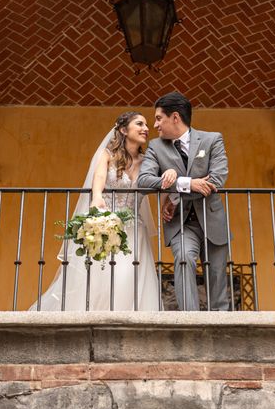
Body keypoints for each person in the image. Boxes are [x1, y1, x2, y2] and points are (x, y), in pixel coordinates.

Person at [31, 112, 162, 311]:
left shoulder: (147, 162)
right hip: (108, 224)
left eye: (146, 124)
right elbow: (100, 175)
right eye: (139, 124)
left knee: (130, 276)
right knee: (107, 274)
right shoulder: (108, 155)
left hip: (135, 230)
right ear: (123, 130)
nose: (146, 128)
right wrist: (97, 196)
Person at [137, 92, 230, 311]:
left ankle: (221, 321)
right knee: (184, 258)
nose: (155, 124)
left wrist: (172, 192)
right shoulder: (155, 147)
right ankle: (190, 319)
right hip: (180, 223)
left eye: (159, 118)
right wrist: (188, 184)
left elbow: (216, 180)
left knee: (217, 274)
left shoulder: (212, 140)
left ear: (175, 117)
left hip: (212, 218)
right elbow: (144, 181)